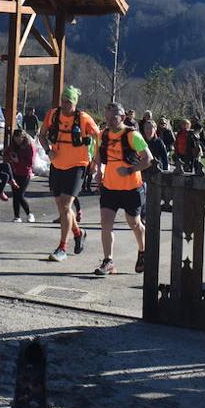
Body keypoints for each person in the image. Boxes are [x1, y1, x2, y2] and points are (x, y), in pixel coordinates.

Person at [91, 103, 152, 276]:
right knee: (105, 224)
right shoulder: (102, 135)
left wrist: (130, 169)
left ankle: (143, 251)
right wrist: (98, 174)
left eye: (114, 118)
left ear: (123, 117)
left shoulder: (133, 136)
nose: (109, 121)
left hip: (131, 187)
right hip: (110, 187)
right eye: (107, 118)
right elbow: (98, 156)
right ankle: (108, 261)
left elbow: (148, 159)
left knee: (134, 223)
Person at [42, 86, 99, 262]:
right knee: (62, 208)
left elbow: (99, 138)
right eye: (63, 101)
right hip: (57, 165)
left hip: (77, 166)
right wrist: (47, 150)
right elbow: (42, 135)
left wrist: (96, 162)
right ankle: (78, 233)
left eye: (69, 101)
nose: (66, 104)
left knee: (66, 206)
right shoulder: (53, 114)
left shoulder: (83, 118)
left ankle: (62, 248)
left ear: (75, 102)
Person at [3, 128, 37, 222]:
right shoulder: (13, 145)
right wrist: (10, 157)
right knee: (15, 194)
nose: (17, 141)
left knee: (20, 194)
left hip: (25, 173)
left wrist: (19, 161)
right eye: (15, 139)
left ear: (23, 137)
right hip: (15, 171)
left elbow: (30, 162)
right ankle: (17, 216)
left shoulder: (30, 146)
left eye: (19, 139)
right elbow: (6, 152)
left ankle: (29, 213)